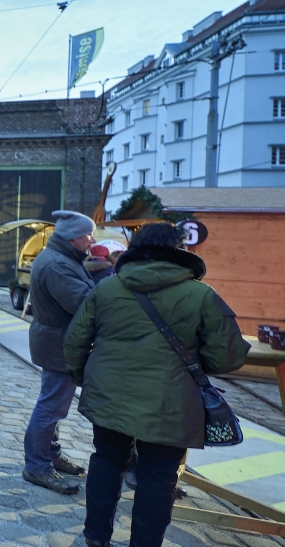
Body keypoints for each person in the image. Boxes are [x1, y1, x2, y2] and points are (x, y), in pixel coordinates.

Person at [64, 223, 250, 547]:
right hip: (172, 402)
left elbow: (74, 342)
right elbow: (229, 356)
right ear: (180, 250)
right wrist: (191, 366)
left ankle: (95, 539)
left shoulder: (107, 288)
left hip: (109, 394)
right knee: (158, 478)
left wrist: (87, 381)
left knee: (106, 461)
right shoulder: (202, 295)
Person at [22, 210, 97, 494]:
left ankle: (49, 455)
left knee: (54, 406)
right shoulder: (57, 264)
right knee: (51, 406)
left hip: (57, 341)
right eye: (88, 234)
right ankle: (38, 467)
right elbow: (83, 302)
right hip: (58, 344)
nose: (92, 240)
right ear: (73, 237)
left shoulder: (62, 257)